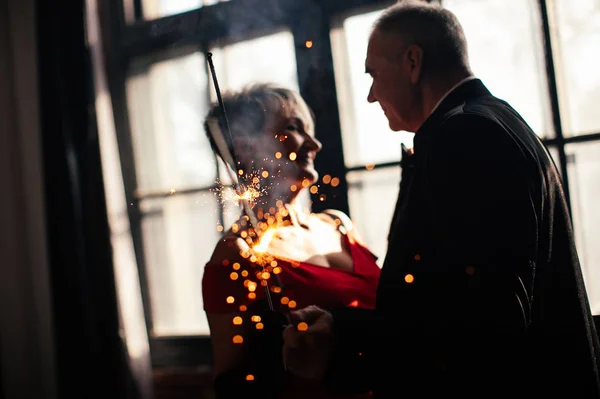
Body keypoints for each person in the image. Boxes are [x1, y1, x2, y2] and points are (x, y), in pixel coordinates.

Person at [282, 1, 600, 398]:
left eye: (374, 74)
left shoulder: (464, 135)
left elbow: (479, 323)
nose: (370, 95)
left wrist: (343, 342)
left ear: (412, 62)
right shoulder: (493, 121)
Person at [201, 83, 381, 399]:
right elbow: (231, 385)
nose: (315, 144)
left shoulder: (339, 224)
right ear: (246, 147)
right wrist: (276, 360)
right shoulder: (238, 253)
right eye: (293, 128)